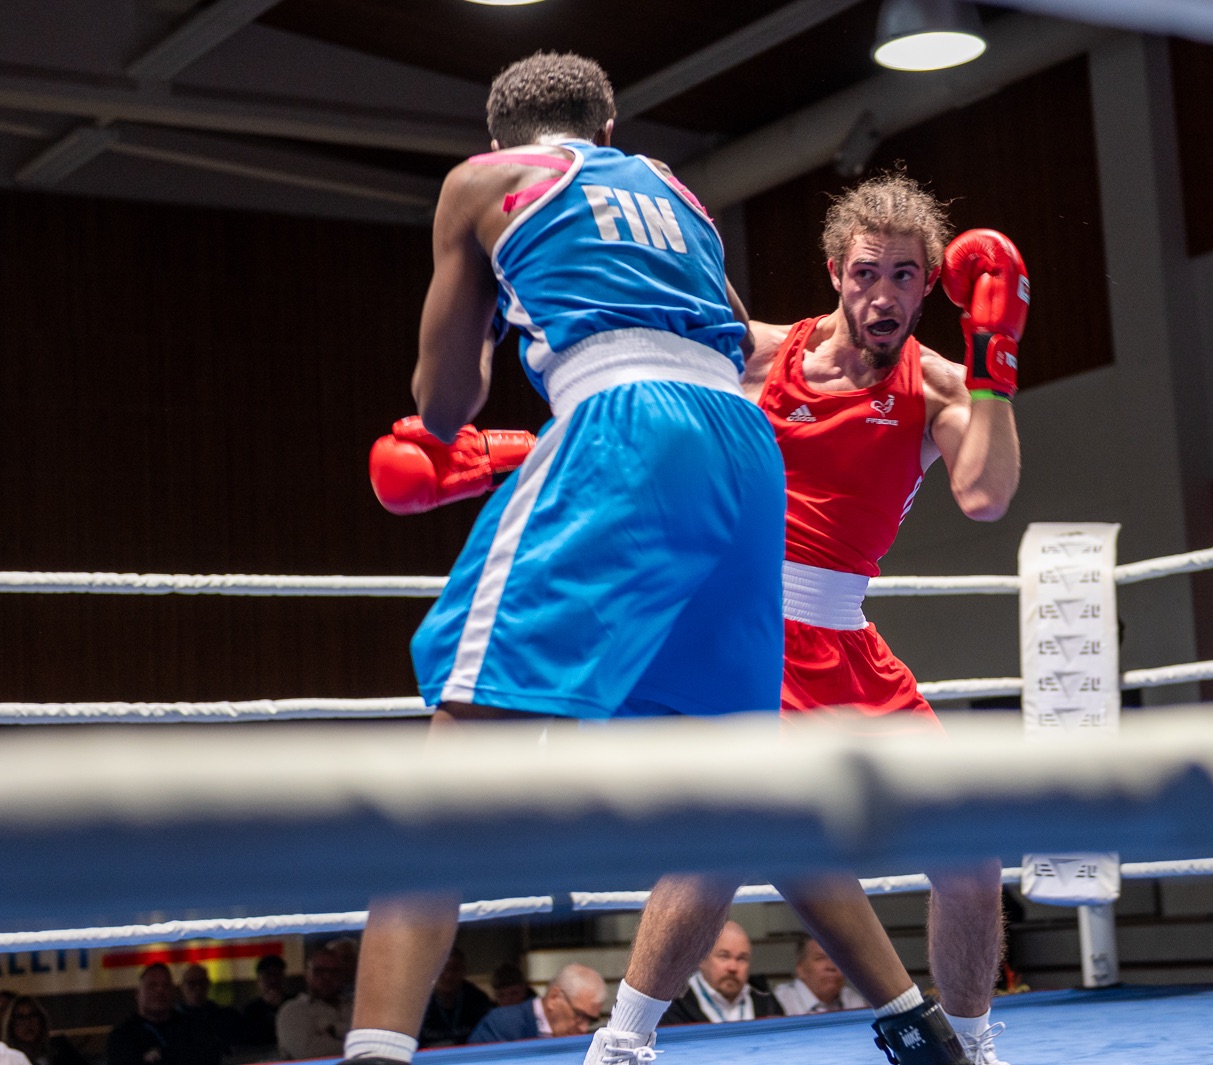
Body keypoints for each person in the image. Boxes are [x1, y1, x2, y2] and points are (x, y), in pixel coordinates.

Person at [359, 53, 976, 1065]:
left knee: (454, 760)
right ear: (606, 132)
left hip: (624, 426)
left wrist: (483, 432)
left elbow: (446, 400)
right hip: (742, 454)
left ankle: (374, 1050)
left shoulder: (484, 180)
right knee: (742, 784)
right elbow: (722, 340)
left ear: (498, 135)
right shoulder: (676, 193)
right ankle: (916, 1023)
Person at [739, 173, 1025, 1065]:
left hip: (846, 639)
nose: (885, 294)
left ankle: (968, 1045)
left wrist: (995, 361)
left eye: (906, 275)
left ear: (930, 283)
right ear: (836, 272)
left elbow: (985, 496)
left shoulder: (940, 383)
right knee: (749, 837)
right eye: (868, 272)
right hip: (747, 637)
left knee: (972, 856)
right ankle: (625, 1038)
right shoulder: (761, 354)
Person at [660, 921, 781, 1026]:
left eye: (742, 959)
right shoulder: (672, 1005)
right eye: (724, 956)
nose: (733, 967)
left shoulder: (766, 1000)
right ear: (701, 958)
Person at [107, 964, 224, 1065]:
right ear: (138, 993)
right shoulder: (123, 1036)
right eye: (152, 985)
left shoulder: (193, 1029)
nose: (160, 991)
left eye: (166, 985)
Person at [468, 964, 605, 1042]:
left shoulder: (585, 1042)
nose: (584, 1028)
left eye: (591, 1020)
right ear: (553, 998)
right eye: (579, 1015)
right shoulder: (500, 1025)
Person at [276, 950, 352, 1060]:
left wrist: (332, 1032)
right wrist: (355, 1044)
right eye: (319, 971)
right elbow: (308, 1053)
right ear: (307, 974)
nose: (327, 977)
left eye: (334, 972)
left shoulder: (354, 1006)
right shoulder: (293, 1010)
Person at [773, 937, 870, 1016]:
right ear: (800, 969)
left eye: (837, 958)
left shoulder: (853, 1000)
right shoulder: (779, 1002)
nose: (831, 966)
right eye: (820, 958)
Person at [418, 948, 492, 1048]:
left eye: (455, 969)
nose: (448, 976)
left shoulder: (478, 1000)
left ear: (463, 971)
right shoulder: (419, 1002)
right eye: (443, 969)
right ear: (433, 971)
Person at [0, 996, 89, 1065]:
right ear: (10, 1024)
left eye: (32, 1015)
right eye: (20, 1018)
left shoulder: (61, 1046)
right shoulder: (9, 1058)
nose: (28, 1023)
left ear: (41, 1019)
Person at [176, 966, 240, 1055]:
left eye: (201, 983)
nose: (198, 987)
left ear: (208, 984)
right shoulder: (173, 1021)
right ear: (182, 986)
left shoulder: (225, 1017)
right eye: (191, 983)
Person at [236, 955, 288, 1052]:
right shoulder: (250, 1010)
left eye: (276, 975)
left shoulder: (295, 1004)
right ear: (259, 979)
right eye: (268, 975)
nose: (273, 980)